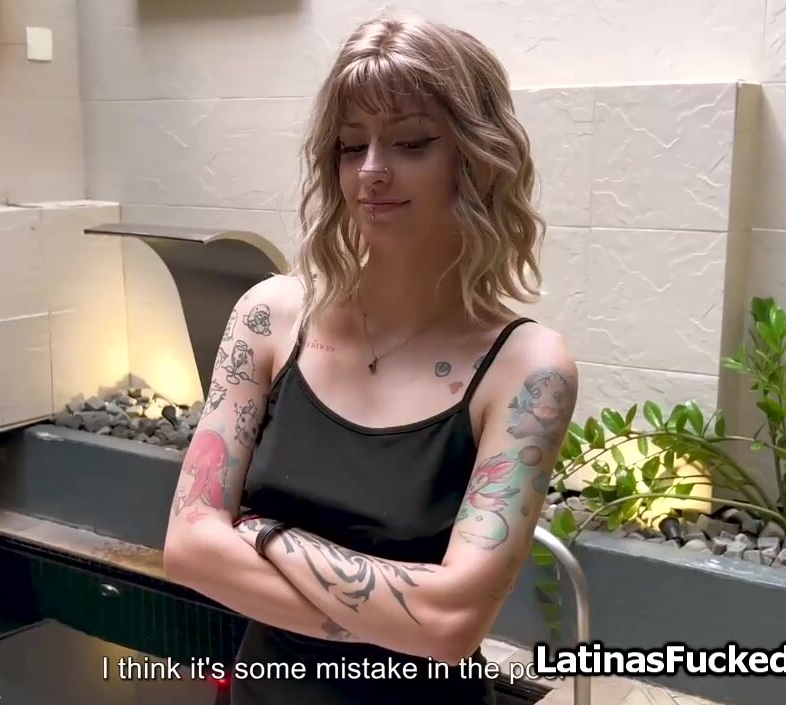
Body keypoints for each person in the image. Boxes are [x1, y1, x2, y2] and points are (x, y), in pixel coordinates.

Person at [162, 11, 579, 705]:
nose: (373, 171)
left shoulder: (527, 369)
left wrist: (266, 536)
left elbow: (451, 626)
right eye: (352, 146)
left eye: (411, 143)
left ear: (478, 157)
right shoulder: (270, 318)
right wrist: (398, 620)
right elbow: (188, 547)